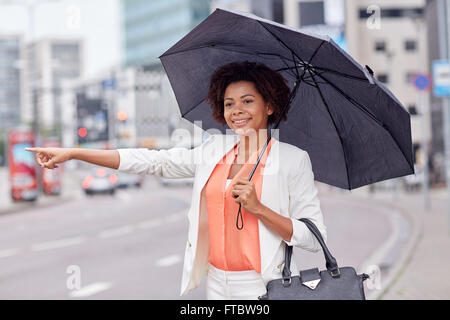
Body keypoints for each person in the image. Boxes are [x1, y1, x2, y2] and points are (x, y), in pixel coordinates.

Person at [25, 61, 327, 300]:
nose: (237, 111)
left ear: (270, 106)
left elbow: (315, 238)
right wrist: (76, 153)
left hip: (266, 285)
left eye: (247, 101)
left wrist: (259, 208)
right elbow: (154, 161)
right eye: (229, 103)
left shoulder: (292, 160)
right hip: (218, 284)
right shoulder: (213, 150)